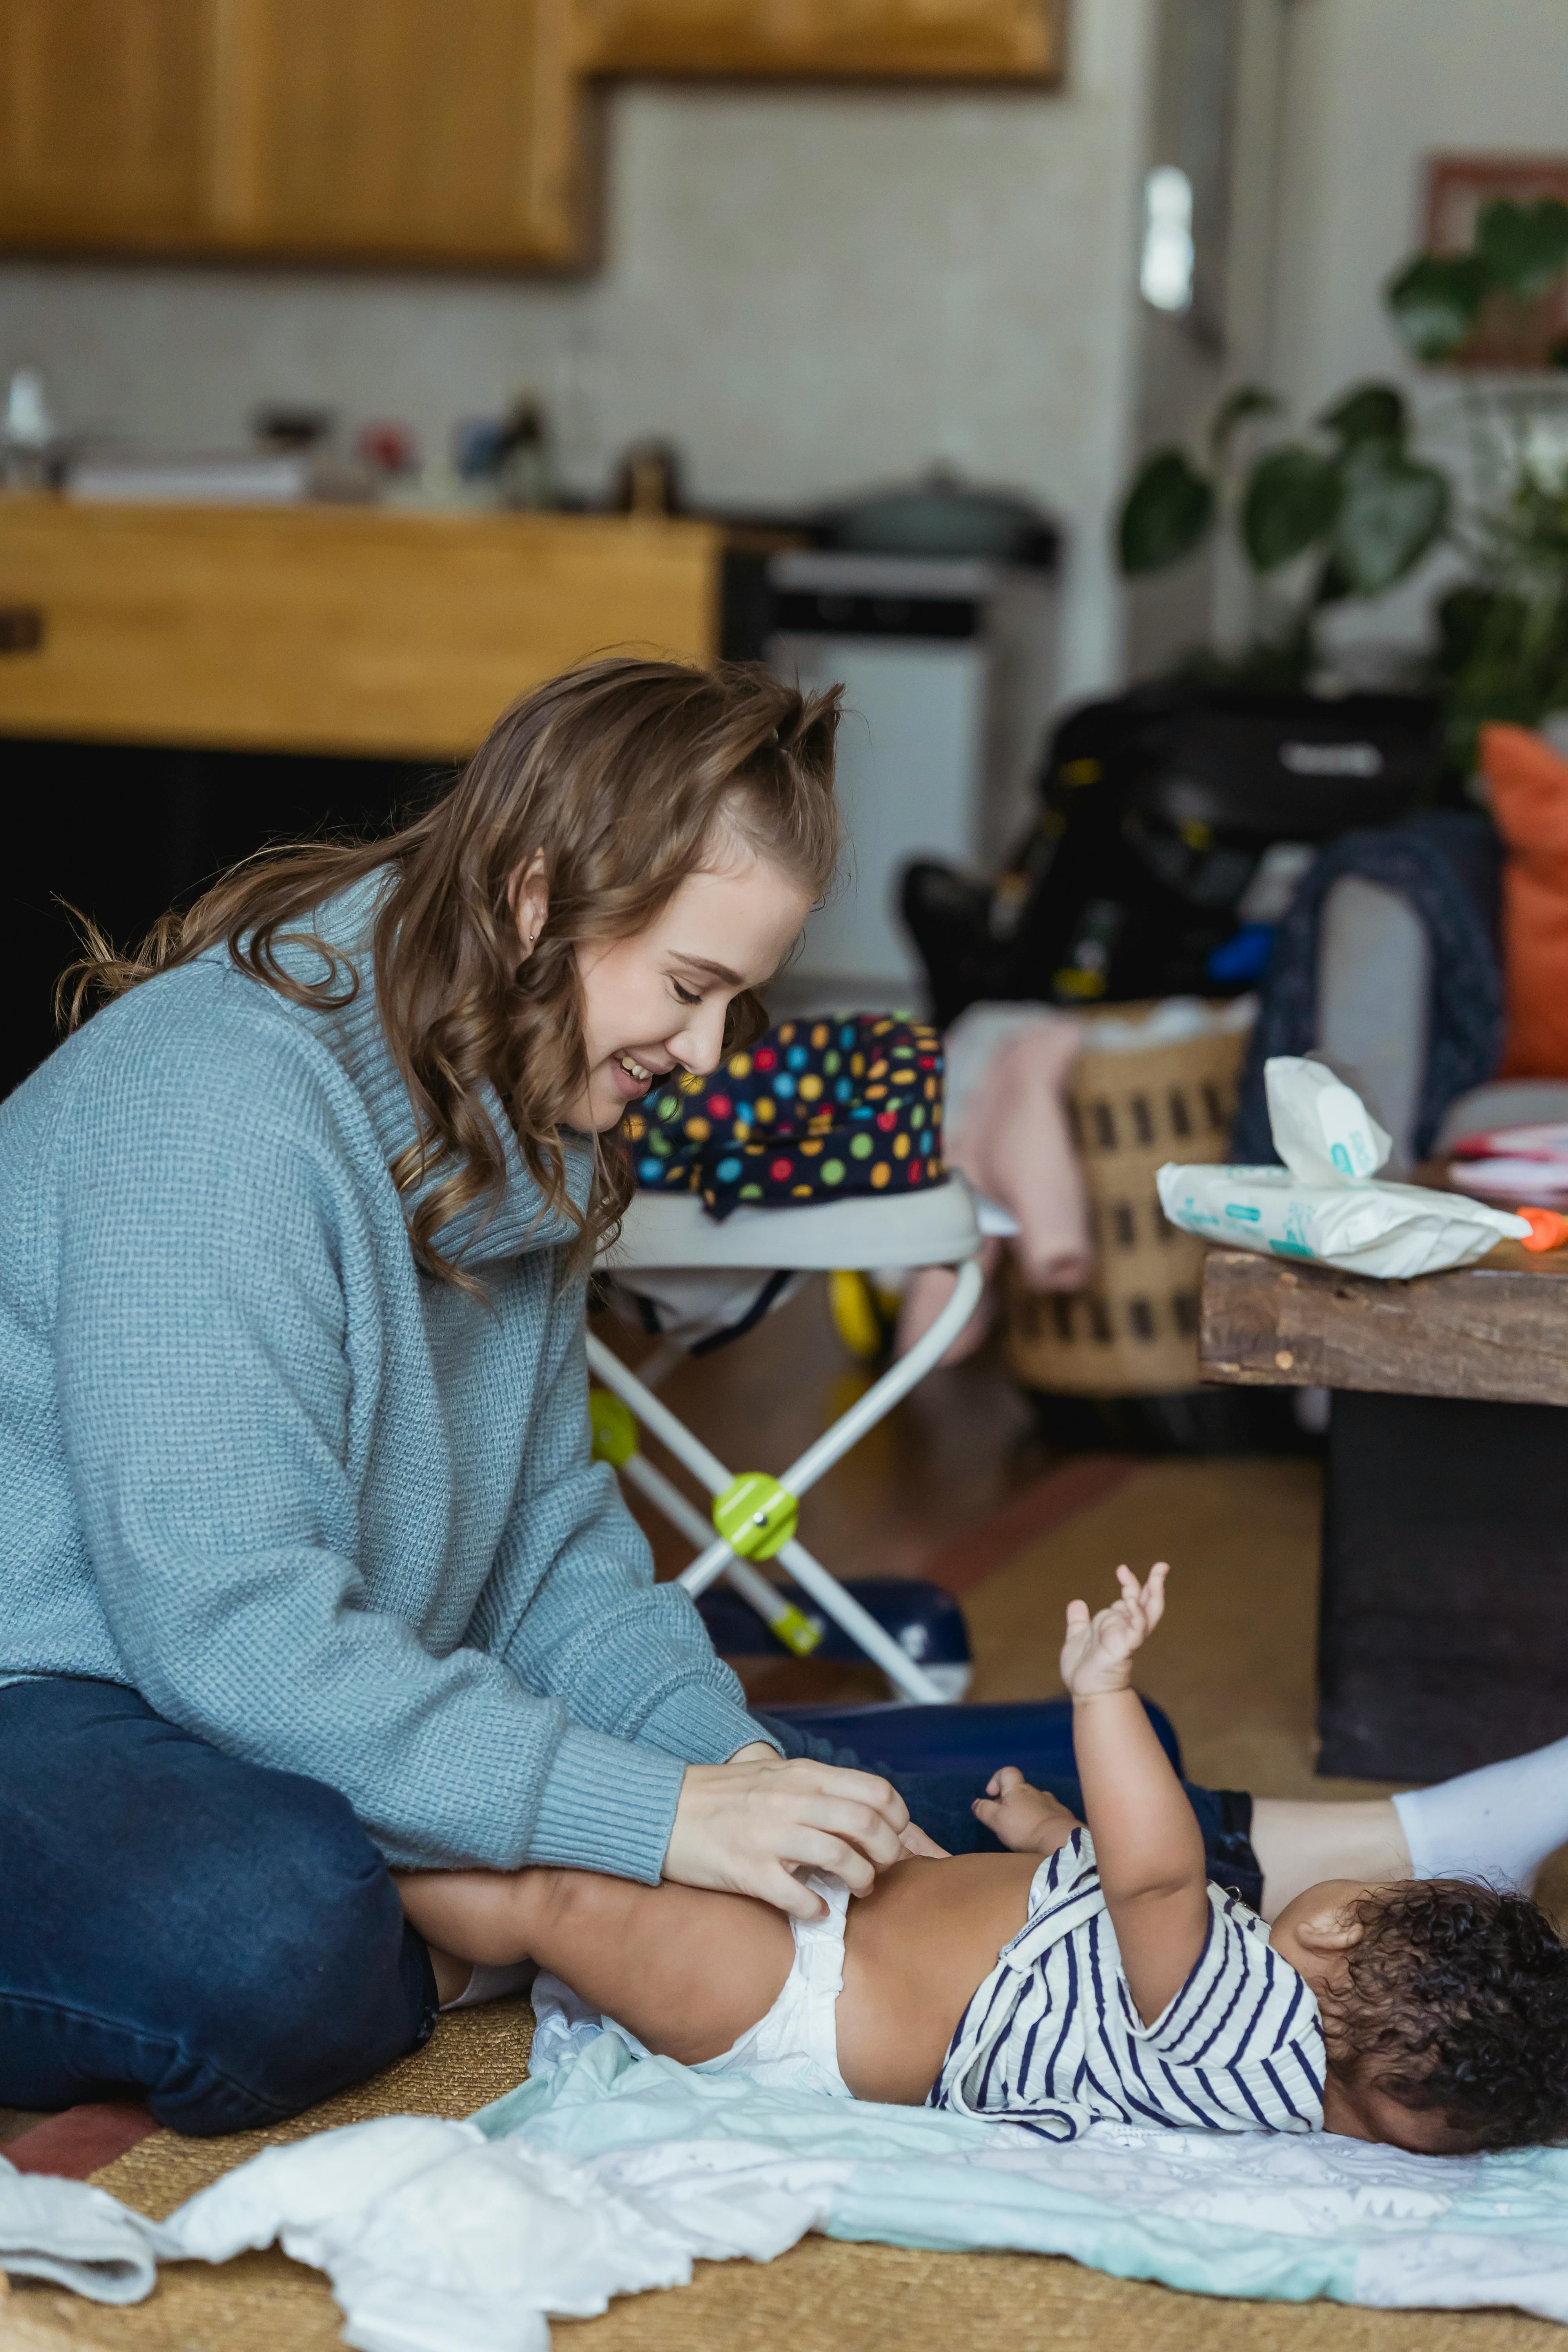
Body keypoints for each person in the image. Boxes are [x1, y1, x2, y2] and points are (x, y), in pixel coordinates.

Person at [0, 659, 934, 2137]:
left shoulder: (529, 1117)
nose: (704, 1054)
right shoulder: (212, 1109)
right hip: (45, 1691)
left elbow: (551, 1550)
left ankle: (474, 1886)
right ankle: (490, 1903)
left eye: (735, 1003)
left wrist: (722, 1767)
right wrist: (643, 1825)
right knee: (268, 1933)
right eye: (690, 989)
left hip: (220, 1701)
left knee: (823, 1804)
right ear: (529, 900)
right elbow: (231, 1634)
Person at [399, 1562, 1568, 2157]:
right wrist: (1050, 1837)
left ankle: (381, 1854)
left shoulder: (1244, 2007)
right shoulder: (1258, 2058)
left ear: (1337, 1925)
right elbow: (1116, 1926)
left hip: (804, 1992)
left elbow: (1153, 1878)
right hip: (839, 1922)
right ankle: (463, 1954)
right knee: (606, 1873)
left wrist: (1103, 1695)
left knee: (554, 1889)